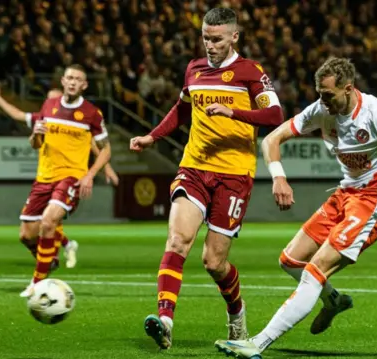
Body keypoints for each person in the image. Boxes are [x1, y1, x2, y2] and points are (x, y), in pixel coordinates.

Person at [214, 57, 377, 358]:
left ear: (348, 89)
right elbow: (272, 140)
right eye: (319, 94)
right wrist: (279, 178)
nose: (322, 102)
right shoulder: (320, 111)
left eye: (328, 95)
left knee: (315, 271)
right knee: (289, 261)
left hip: (375, 201)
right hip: (344, 195)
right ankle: (334, 301)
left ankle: (257, 343)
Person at [129, 7, 284, 350]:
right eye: (205, 38)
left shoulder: (250, 72)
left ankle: (237, 311)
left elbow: (275, 115)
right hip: (195, 167)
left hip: (234, 174)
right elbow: (183, 108)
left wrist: (235, 112)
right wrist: (153, 136)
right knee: (177, 240)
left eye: (216, 39)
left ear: (234, 37)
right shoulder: (194, 69)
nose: (210, 45)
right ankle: (166, 320)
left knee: (214, 262)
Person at [0, 64, 113, 296]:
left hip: (71, 177)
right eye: (69, 78)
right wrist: (36, 134)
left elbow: (106, 149)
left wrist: (90, 174)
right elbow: (35, 143)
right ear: (62, 81)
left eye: (78, 79)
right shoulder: (48, 106)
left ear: (84, 85)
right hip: (44, 178)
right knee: (26, 235)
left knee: (48, 221)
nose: (73, 82)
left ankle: (37, 283)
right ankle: (49, 261)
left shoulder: (91, 113)